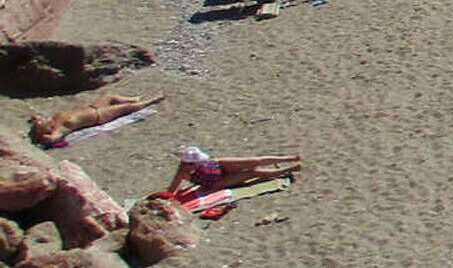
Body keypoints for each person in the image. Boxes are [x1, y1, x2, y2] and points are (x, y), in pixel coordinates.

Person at [30, 93, 164, 149]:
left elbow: (37, 118)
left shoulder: (55, 119)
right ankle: (152, 100)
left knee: (108, 96)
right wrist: (45, 138)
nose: (45, 118)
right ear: (46, 129)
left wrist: (35, 120)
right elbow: (52, 139)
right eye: (44, 122)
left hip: (92, 108)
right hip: (98, 116)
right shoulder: (58, 129)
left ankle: (133, 98)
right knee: (128, 108)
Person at [169, 146, 301, 193]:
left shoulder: (198, 163)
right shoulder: (183, 172)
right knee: (252, 173)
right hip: (214, 182)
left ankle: (289, 158)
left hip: (218, 165)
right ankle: (286, 170)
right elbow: (173, 188)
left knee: (254, 161)